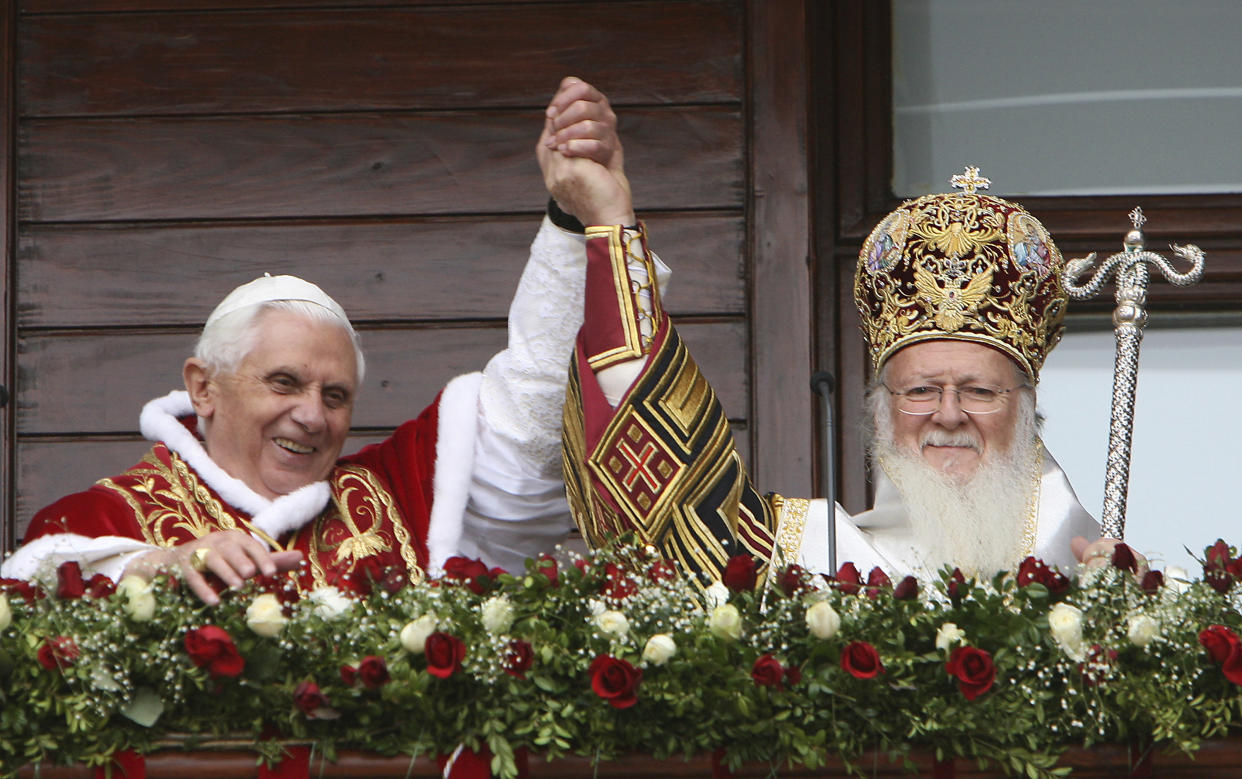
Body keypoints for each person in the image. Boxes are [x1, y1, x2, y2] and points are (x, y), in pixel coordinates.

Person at [0, 77, 626, 603]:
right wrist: (156, 570)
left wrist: (579, 218)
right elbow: (35, 587)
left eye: (335, 396)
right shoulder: (105, 521)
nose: (311, 415)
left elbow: (531, 416)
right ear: (203, 387)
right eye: (284, 382)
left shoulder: (400, 494)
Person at [560, 158, 1110, 581]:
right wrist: (611, 227)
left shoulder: (1099, 576)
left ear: (1026, 410)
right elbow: (672, 514)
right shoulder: (811, 562)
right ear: (880, 417)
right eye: (920, 389)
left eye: (979, 391)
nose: (948, 414)